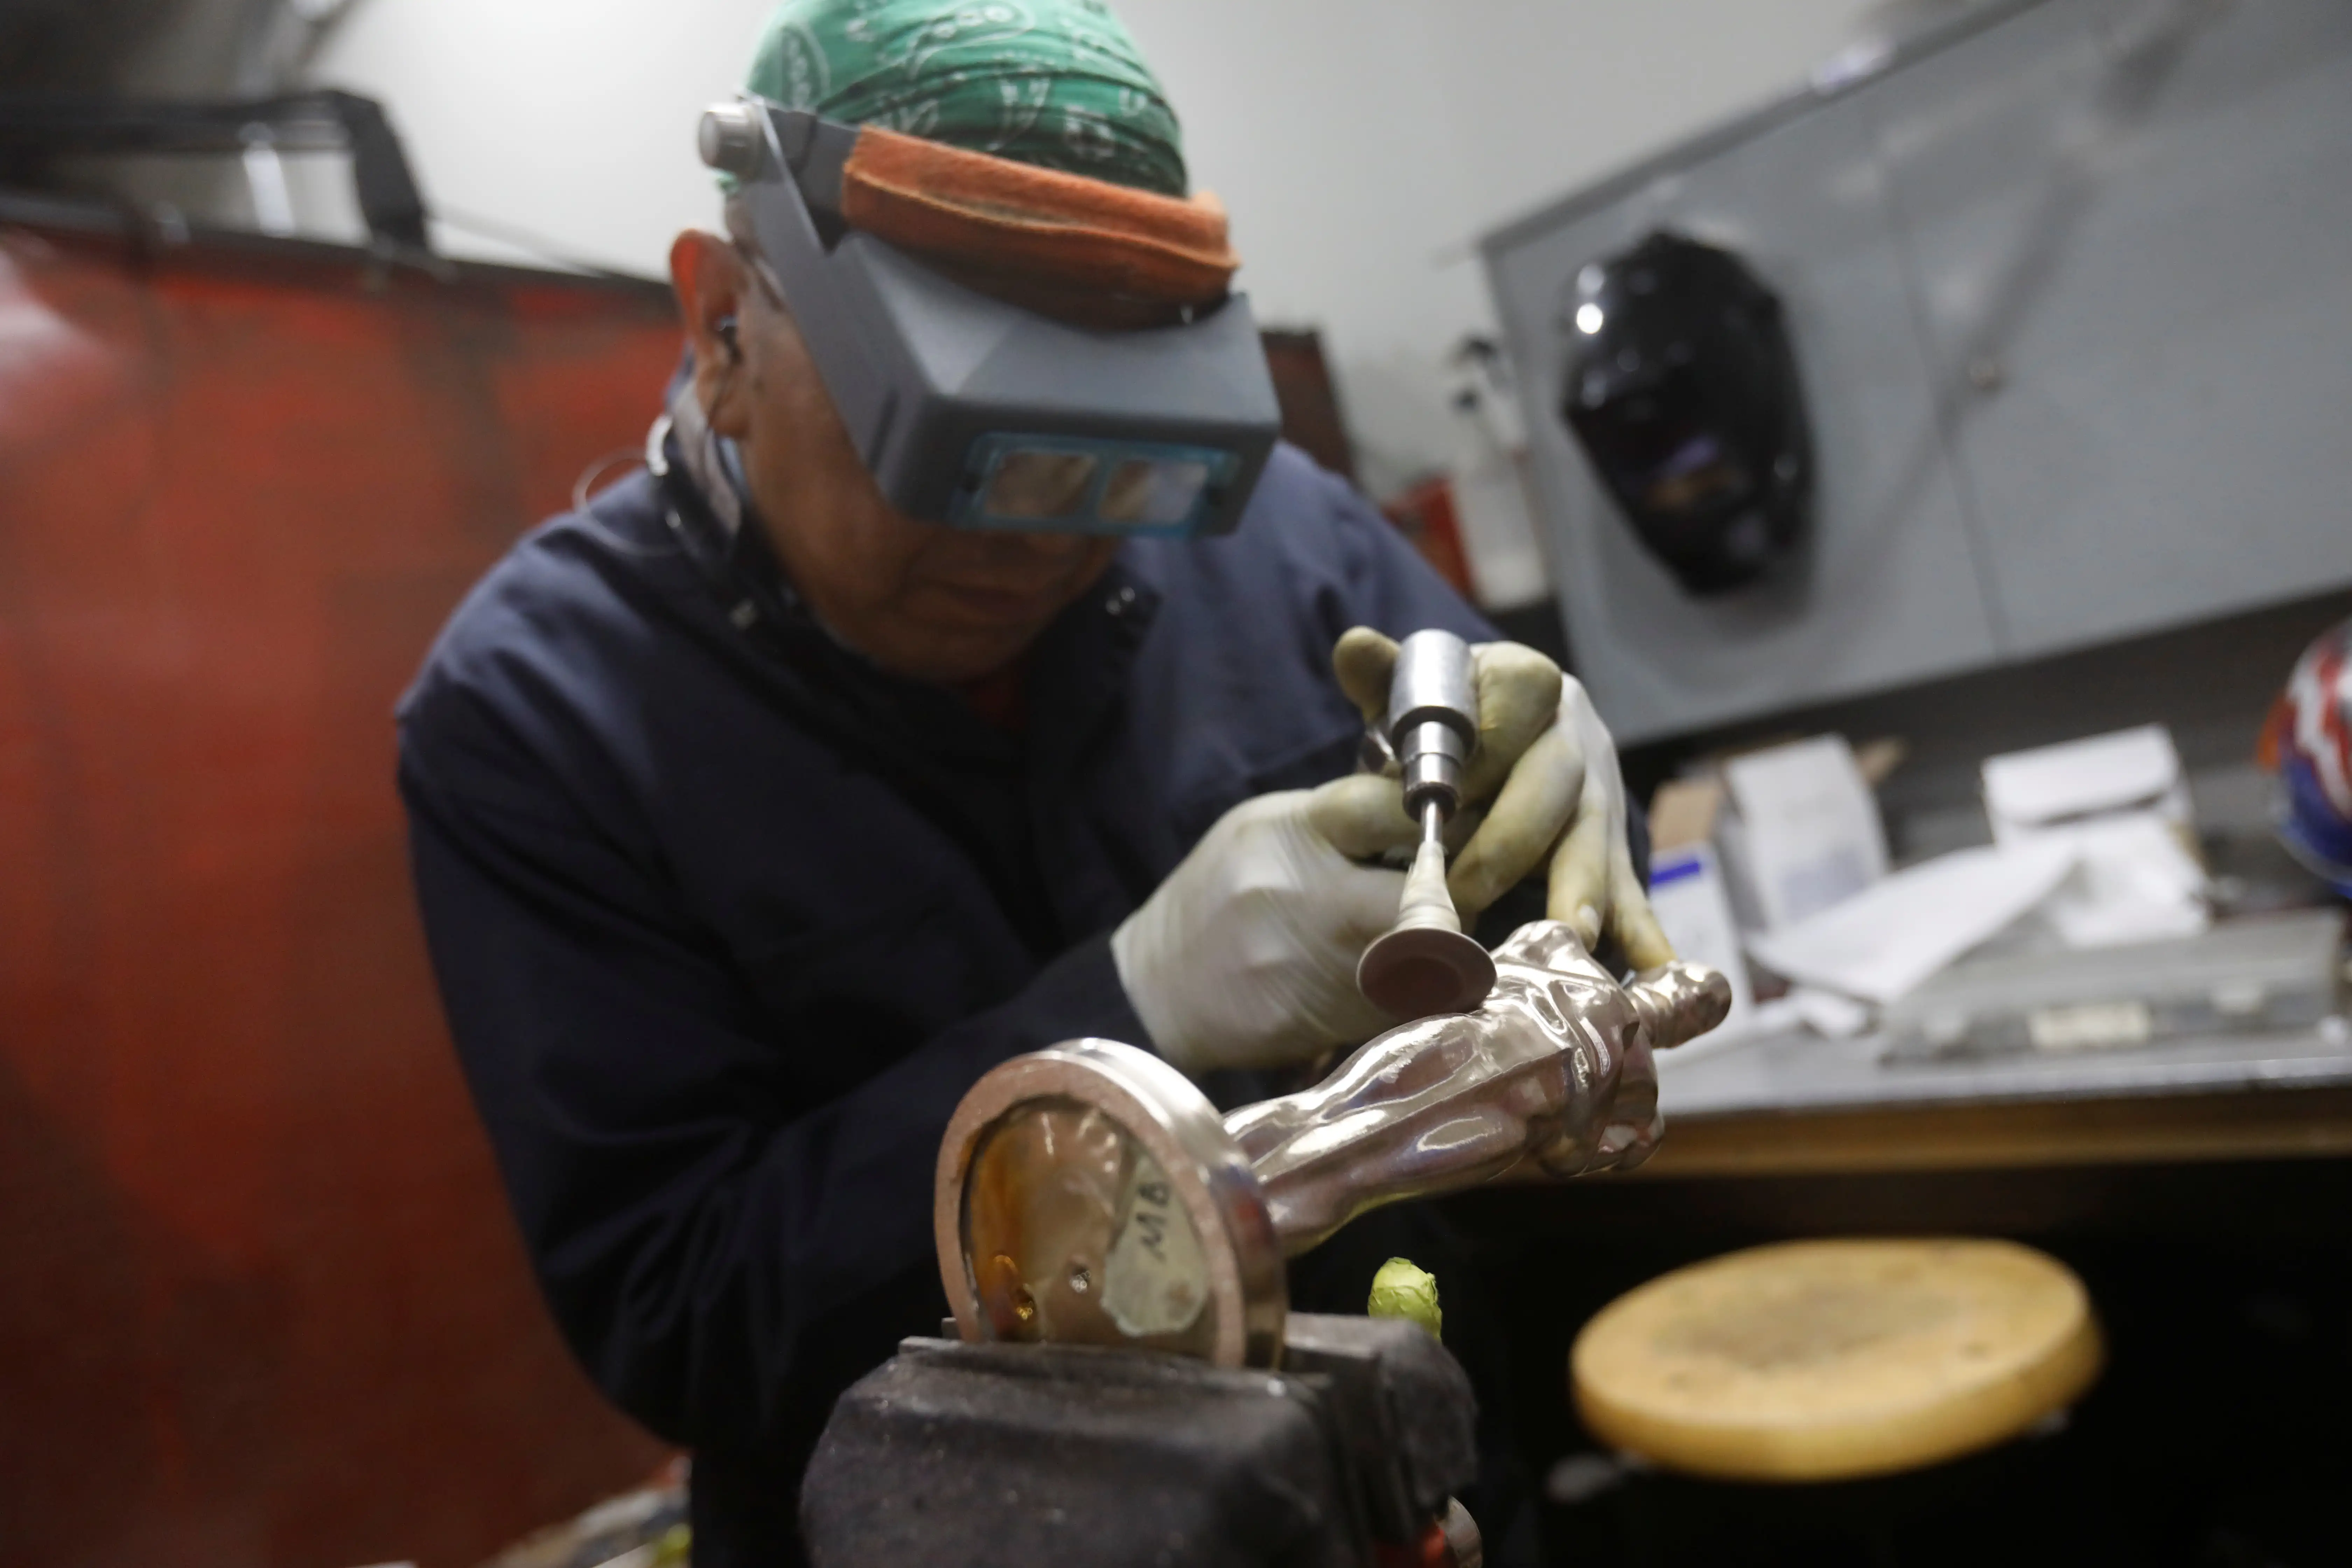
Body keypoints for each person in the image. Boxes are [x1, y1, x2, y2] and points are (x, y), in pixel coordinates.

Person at [396, 4, 1674, 1562]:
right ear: (728, 322)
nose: (1042, 542)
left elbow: (1570, 954)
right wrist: (1133, 1012)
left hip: (1386, 1484)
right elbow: (684, 1315)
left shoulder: (1281, 536)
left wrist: (1562, 827)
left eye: (1123, 458)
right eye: (963, 453)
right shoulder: (538, 712)